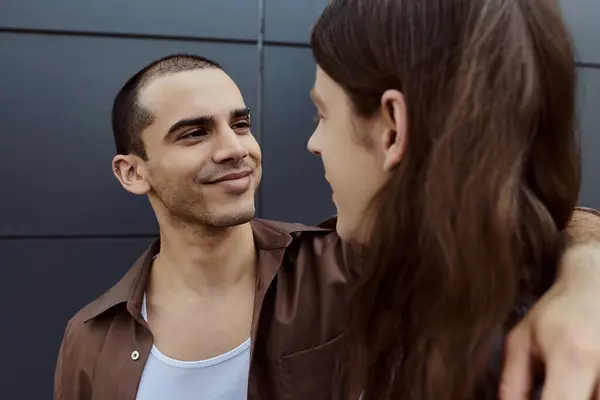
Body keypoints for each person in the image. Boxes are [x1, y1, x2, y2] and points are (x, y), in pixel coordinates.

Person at [54, 53, 600, 400]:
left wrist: (586, 279)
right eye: (194, 133)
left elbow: (540, 227)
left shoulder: (345, 261)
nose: (235, 148)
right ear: (132, 172)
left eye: (240, 123)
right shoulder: (90, 339)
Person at [307, 0, 597, 399]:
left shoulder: (522, 370)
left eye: (322, 114)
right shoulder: (435, 294)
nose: (313, 143)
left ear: (392, 128)